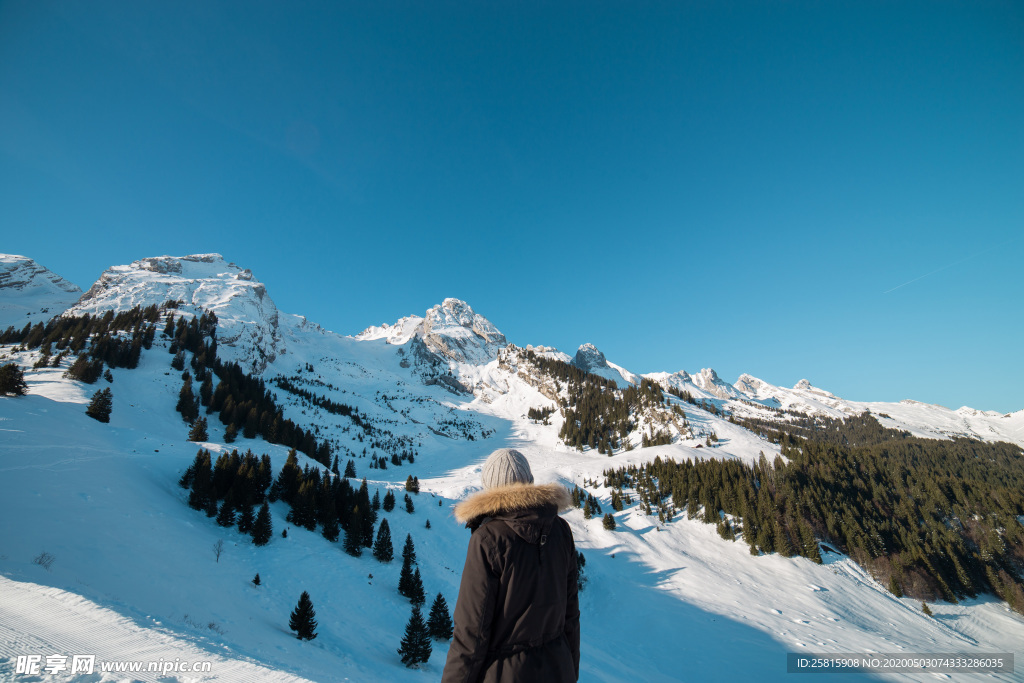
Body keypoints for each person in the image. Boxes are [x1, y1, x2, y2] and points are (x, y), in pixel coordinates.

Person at [441, 448, 579, 683]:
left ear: (490, 491)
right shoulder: (561, 530)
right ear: (529, 482)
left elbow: (471, 633)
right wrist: (569, 670)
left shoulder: (488, 539)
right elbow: (570, 616)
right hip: (559, 669)